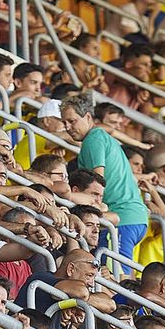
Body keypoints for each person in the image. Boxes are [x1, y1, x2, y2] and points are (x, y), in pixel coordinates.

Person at [61, 90, 148, 262]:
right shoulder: (100, 137)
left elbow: (96, 184)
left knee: (115, 275)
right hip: (131, 217)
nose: (67, 127)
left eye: (72, 121)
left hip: (122, 217)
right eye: (64, 123)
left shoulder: (93, 139)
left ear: (87, 117)